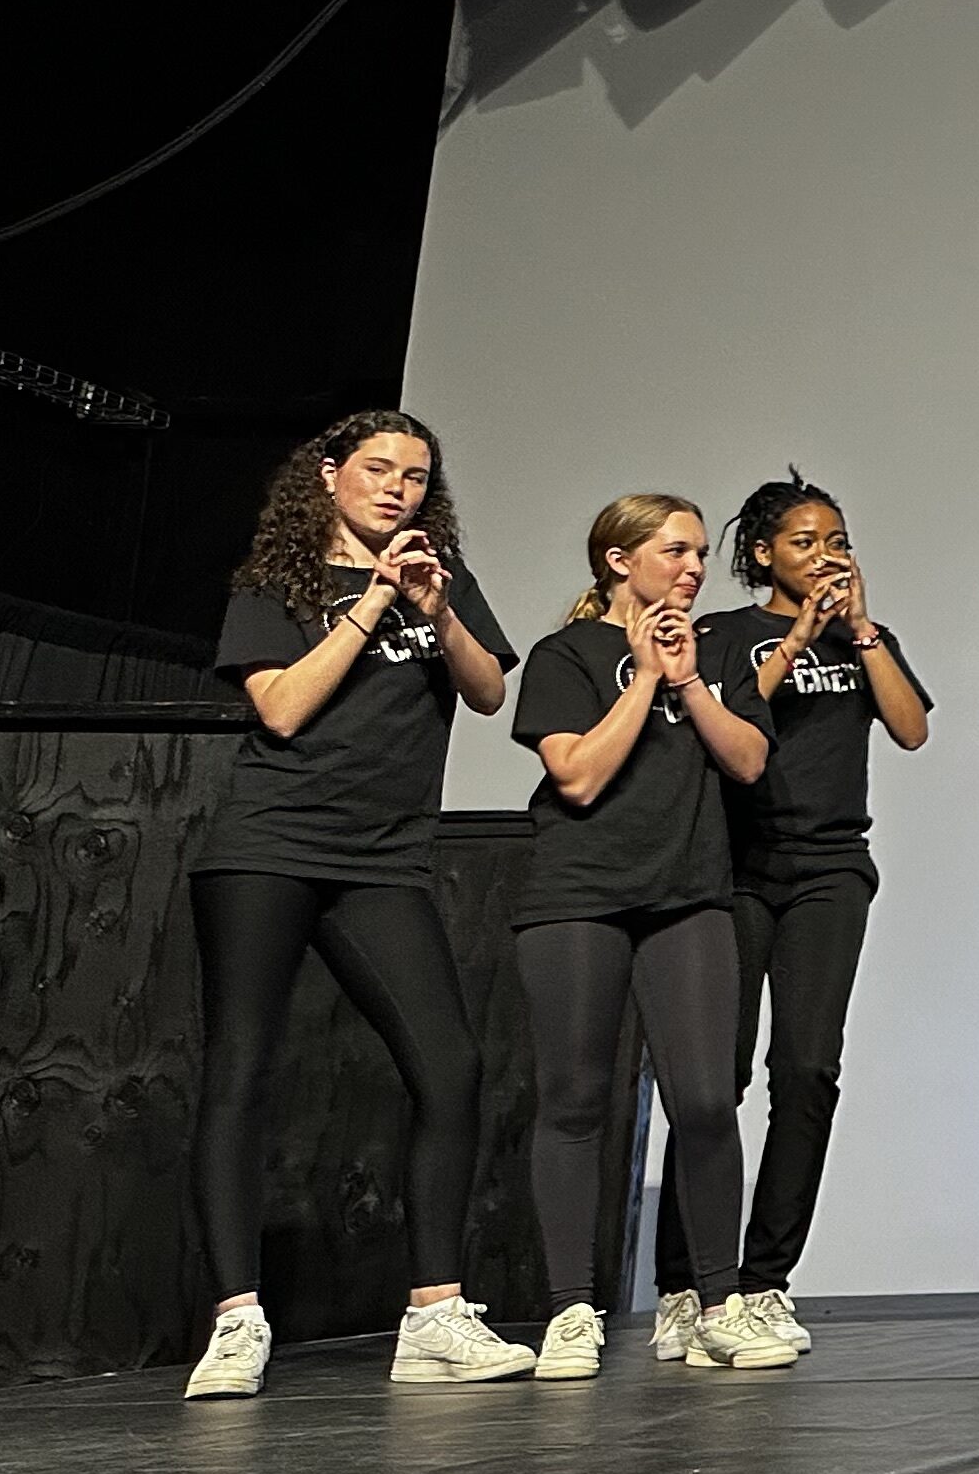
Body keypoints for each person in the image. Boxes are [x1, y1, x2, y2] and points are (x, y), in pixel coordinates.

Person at [181, 411, 535, 1401]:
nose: (398, 489)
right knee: (242, 1068)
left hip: (383, 860)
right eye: (379, 470)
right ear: (329, 476)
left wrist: (437, 606)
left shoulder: (438, 580)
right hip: (267, 847)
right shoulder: (278, 584)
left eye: (417, 476)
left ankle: (433, 1315)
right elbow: (284, 708)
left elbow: (487, 693)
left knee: (452, 1066)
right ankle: (236, 1319)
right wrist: (372, 602)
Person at [647, 474, 930, 1363]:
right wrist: (799, 635)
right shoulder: (726, 634)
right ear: (764, 554)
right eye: (806, 541)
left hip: (831, 869)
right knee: (712, 1081)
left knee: (807, 1071)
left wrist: (862, 630)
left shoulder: (862, 640)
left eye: (837, 539)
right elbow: (731, 715)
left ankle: (765, 1282)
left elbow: (913, 727)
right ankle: (686, 1285)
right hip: (732, 869)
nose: (827, 554)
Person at [513, 494, 790, 1378]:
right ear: (618, 560)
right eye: (675, 550)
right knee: (575, 1103)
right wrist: (639, 677)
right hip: (577, 896)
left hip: (688, 895)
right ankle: (570, 1312)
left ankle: (718, 1303)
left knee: (708, 1100)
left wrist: (685, 679)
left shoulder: (710, 657)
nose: (694, 567)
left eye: (702, 553)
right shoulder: (568, 656)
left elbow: (747, 760)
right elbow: (580, 776)